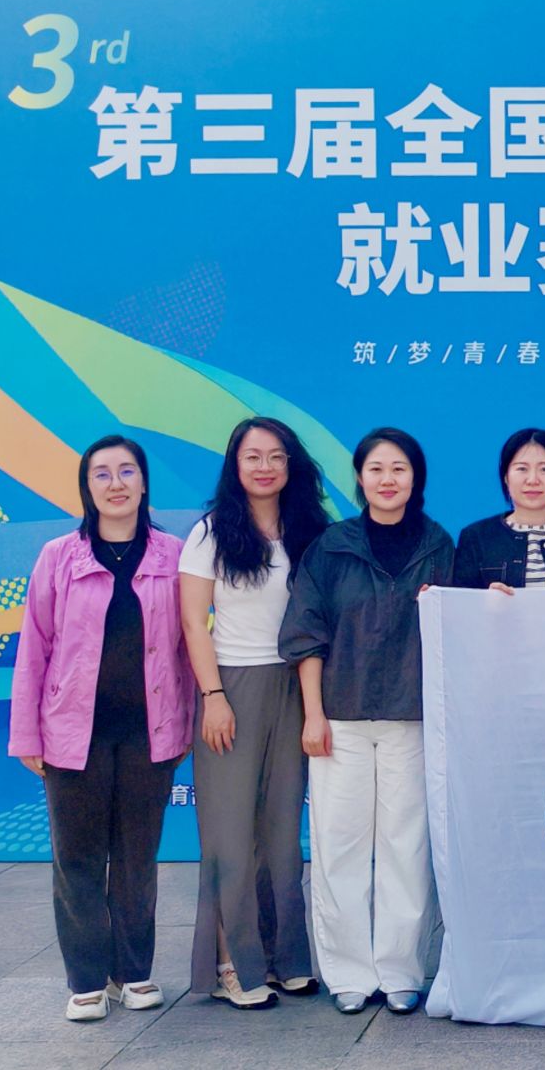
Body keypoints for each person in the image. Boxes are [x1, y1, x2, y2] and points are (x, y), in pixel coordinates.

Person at [8, 435, 193, 1022]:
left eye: (127, 471)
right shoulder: (59, 556)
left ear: (144, 482)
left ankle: (134, 973)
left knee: (138, 859)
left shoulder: (173, 555)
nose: (116, 484)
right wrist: (26, 734)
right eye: (102, 474)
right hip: (72, 735)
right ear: (87, 487)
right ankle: (87, 980)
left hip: (149, 734)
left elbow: (191, 645)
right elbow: (34, 649)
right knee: (78, 860)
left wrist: (190, 719)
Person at [279, 427, 454, 1017]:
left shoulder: (438, 544)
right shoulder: (332, 547)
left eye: (399, 468)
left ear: (415, 477)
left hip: (412, 716)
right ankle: (349, 971)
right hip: (342, 718)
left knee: (408, 845)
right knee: (340, 844)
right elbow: (306, 634)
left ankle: (402, 969)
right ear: (359, 477)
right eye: (376, 469)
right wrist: (313, 714)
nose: (387, 479)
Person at [181, 417, 331, 1009]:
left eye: (275, 456)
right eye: (252, 457)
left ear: (291, 464)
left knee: (281, 835)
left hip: (297, 686)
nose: (264, 467)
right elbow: (194, 623)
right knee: (230, 835)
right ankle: (232, 964)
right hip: (232, 688)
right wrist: (213, 696)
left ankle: (285, 958)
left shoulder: (312, 531)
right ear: (235, 465)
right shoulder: (211, 532)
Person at [451, 427, 545, 592]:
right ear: (506, 476)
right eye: (522, 469)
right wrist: (485, 601)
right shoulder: (476, 538)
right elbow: (458, 603)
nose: (533, 480)